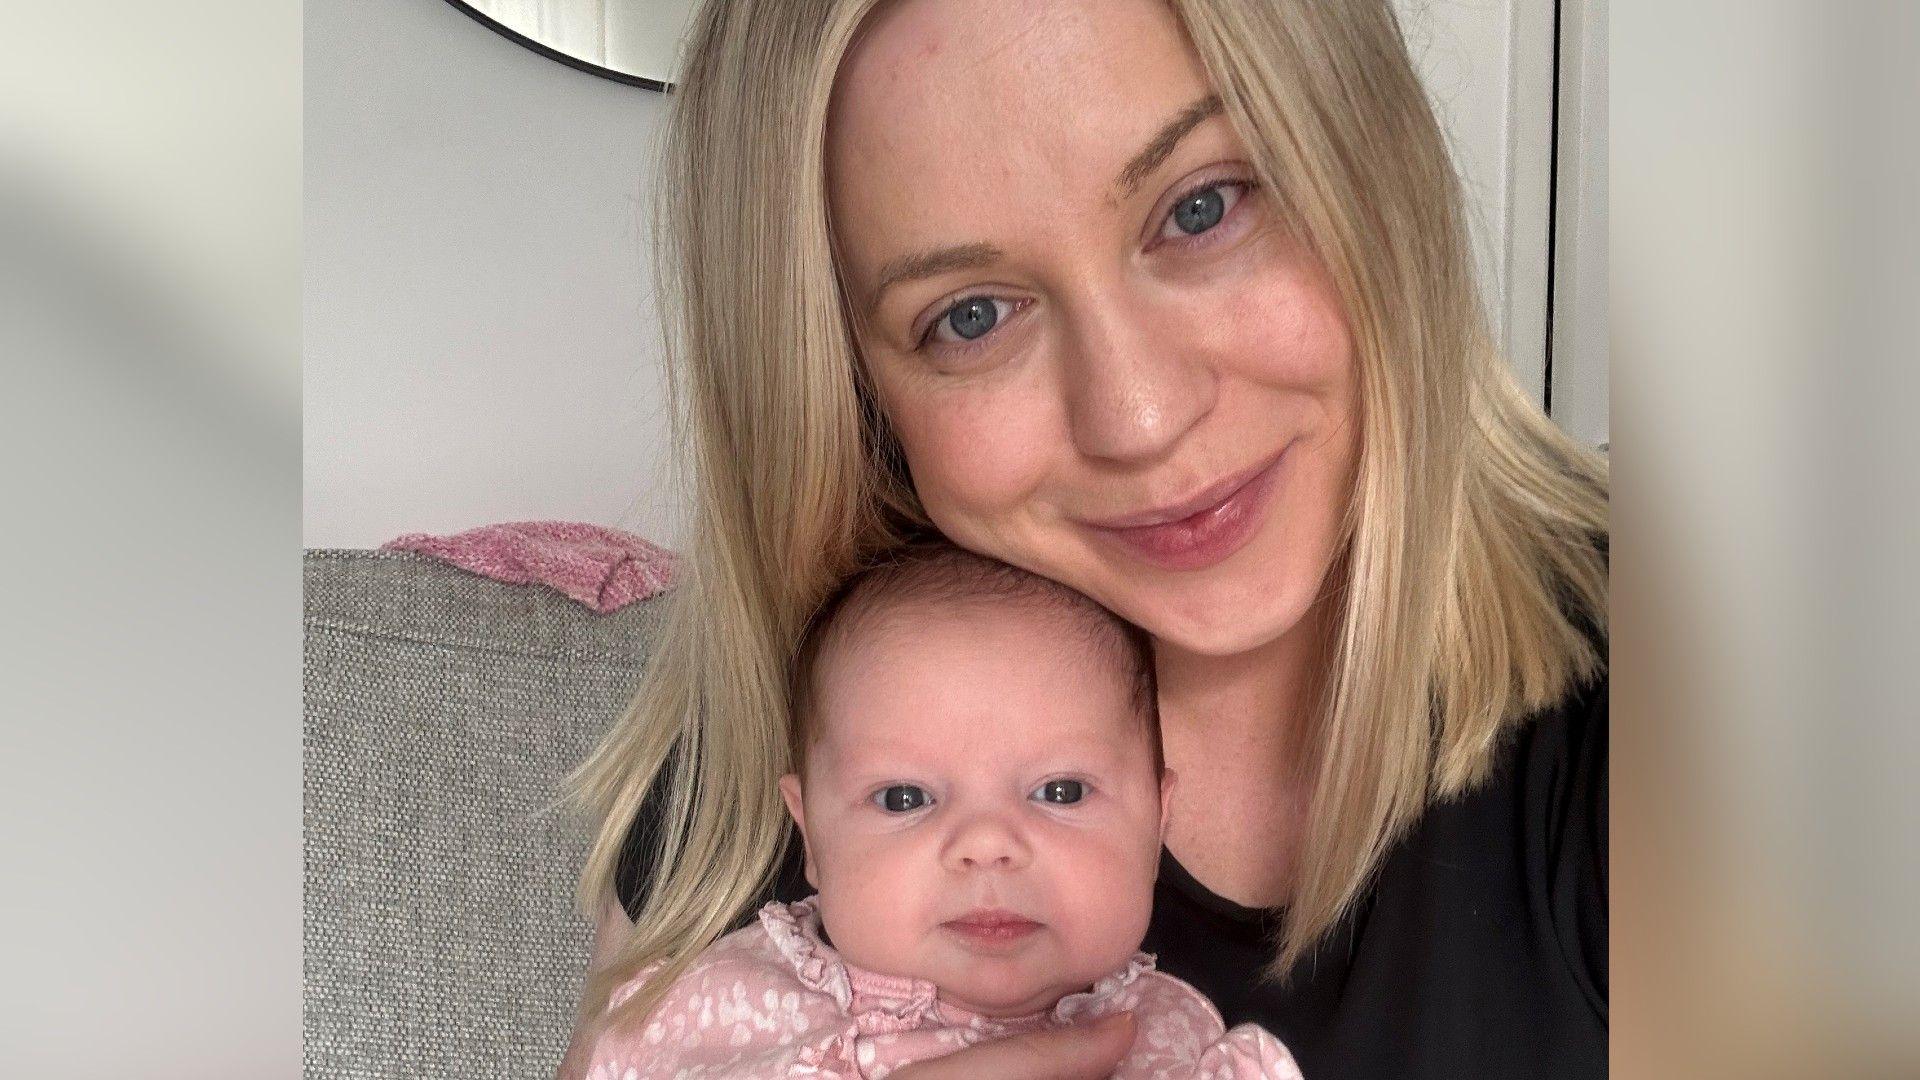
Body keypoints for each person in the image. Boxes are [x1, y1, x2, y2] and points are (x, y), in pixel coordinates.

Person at [561, 1, 1608, 1077]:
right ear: (852, 389)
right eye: (971, 315)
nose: (1139, 417)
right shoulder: (788, 749)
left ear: (1362, 154)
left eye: (1203, 207)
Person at [579, 544, 1303, 1078]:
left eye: (1061, 792)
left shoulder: (1181, 1050)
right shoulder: (717, 1012)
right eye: (904, 798)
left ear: (1156, 825)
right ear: (811, 837)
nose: (987, 844)